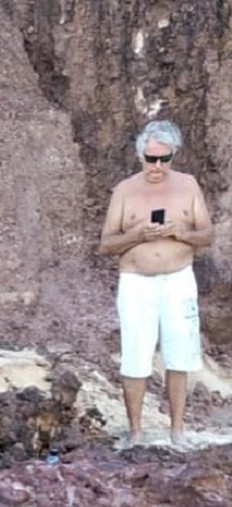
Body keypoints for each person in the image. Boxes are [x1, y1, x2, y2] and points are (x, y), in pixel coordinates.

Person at [99, 119, 214, 444]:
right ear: (140, 157)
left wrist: (179, 232)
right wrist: (137, 235)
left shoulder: (188, 185)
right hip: (137, 281)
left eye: (165, 159)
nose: (158, 166)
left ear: (173, 156)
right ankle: (135, 433)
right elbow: (106, 244)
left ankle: (177, 431)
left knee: (180, 354)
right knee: (136, 354)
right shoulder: (125, 190)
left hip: (178, 280)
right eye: (152, 159)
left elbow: (207, 234)